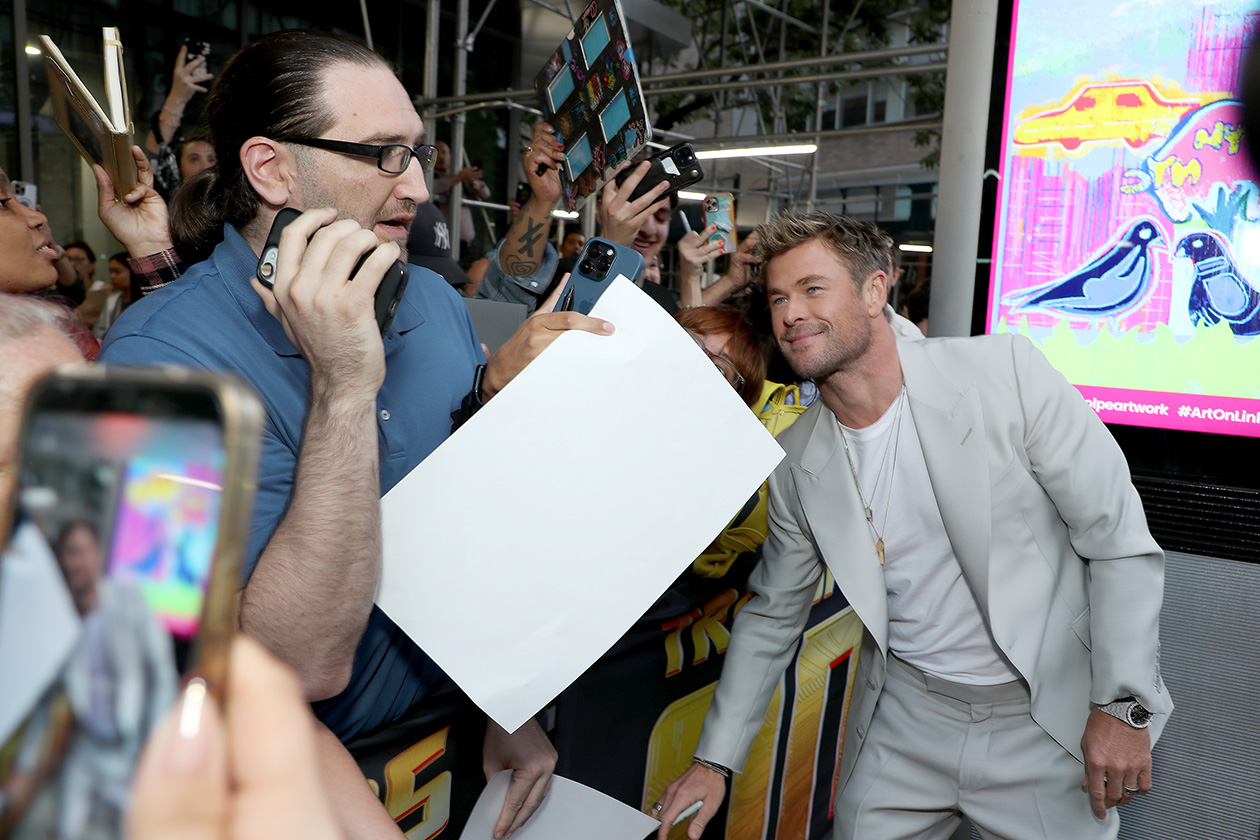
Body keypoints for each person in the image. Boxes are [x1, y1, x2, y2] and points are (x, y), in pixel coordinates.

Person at [98, 29, 610, 838]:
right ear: (270, 169)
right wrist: (341, 385)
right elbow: (279, 671)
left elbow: (466, 526)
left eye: (417, 152)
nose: (417, 186)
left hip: (458, 746)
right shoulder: (147, 364)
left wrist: (503, 697)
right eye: (382, 155)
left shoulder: (438, 304)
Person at [654, 212, 1172, 840]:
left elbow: (1117, 542)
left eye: (814, 289)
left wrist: (1120, 706)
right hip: (905, 717)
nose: (791, 313)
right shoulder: (795, 457)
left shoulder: (1001, 373)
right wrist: (714, 760)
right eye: (779, 297)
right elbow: (772, 615)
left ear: (875, 291)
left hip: (1040, 717)